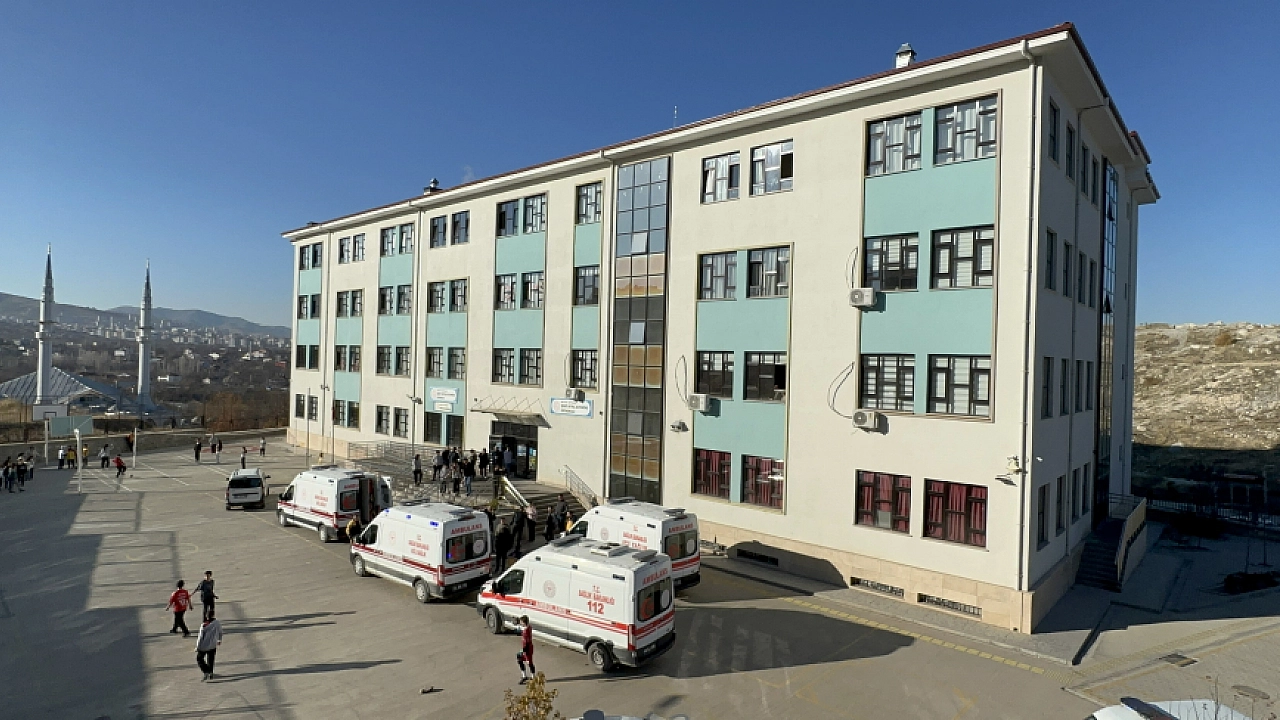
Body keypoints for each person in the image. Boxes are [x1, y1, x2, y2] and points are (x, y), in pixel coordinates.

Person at [195, 613, 223, 681]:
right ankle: (211, 672)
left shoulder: (204, 625)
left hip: (204, 646)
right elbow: (220, 632)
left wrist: (198, 647)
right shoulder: (217, 623)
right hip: (213, 644)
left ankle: (206, 671)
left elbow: (200, 637)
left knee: (199, 658)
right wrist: (219, 640)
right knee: (211, 659)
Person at [516, 616, 536, 684]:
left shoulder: (525, 631)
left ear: (524, 623)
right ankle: (524, 676)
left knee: (529, 663)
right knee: (519, 658)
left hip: (527, 649)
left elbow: (527, 642)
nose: (520, 623)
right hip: (529, 648)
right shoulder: (529, 627)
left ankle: (533, 677)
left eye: (521, 622)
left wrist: (524, 650)